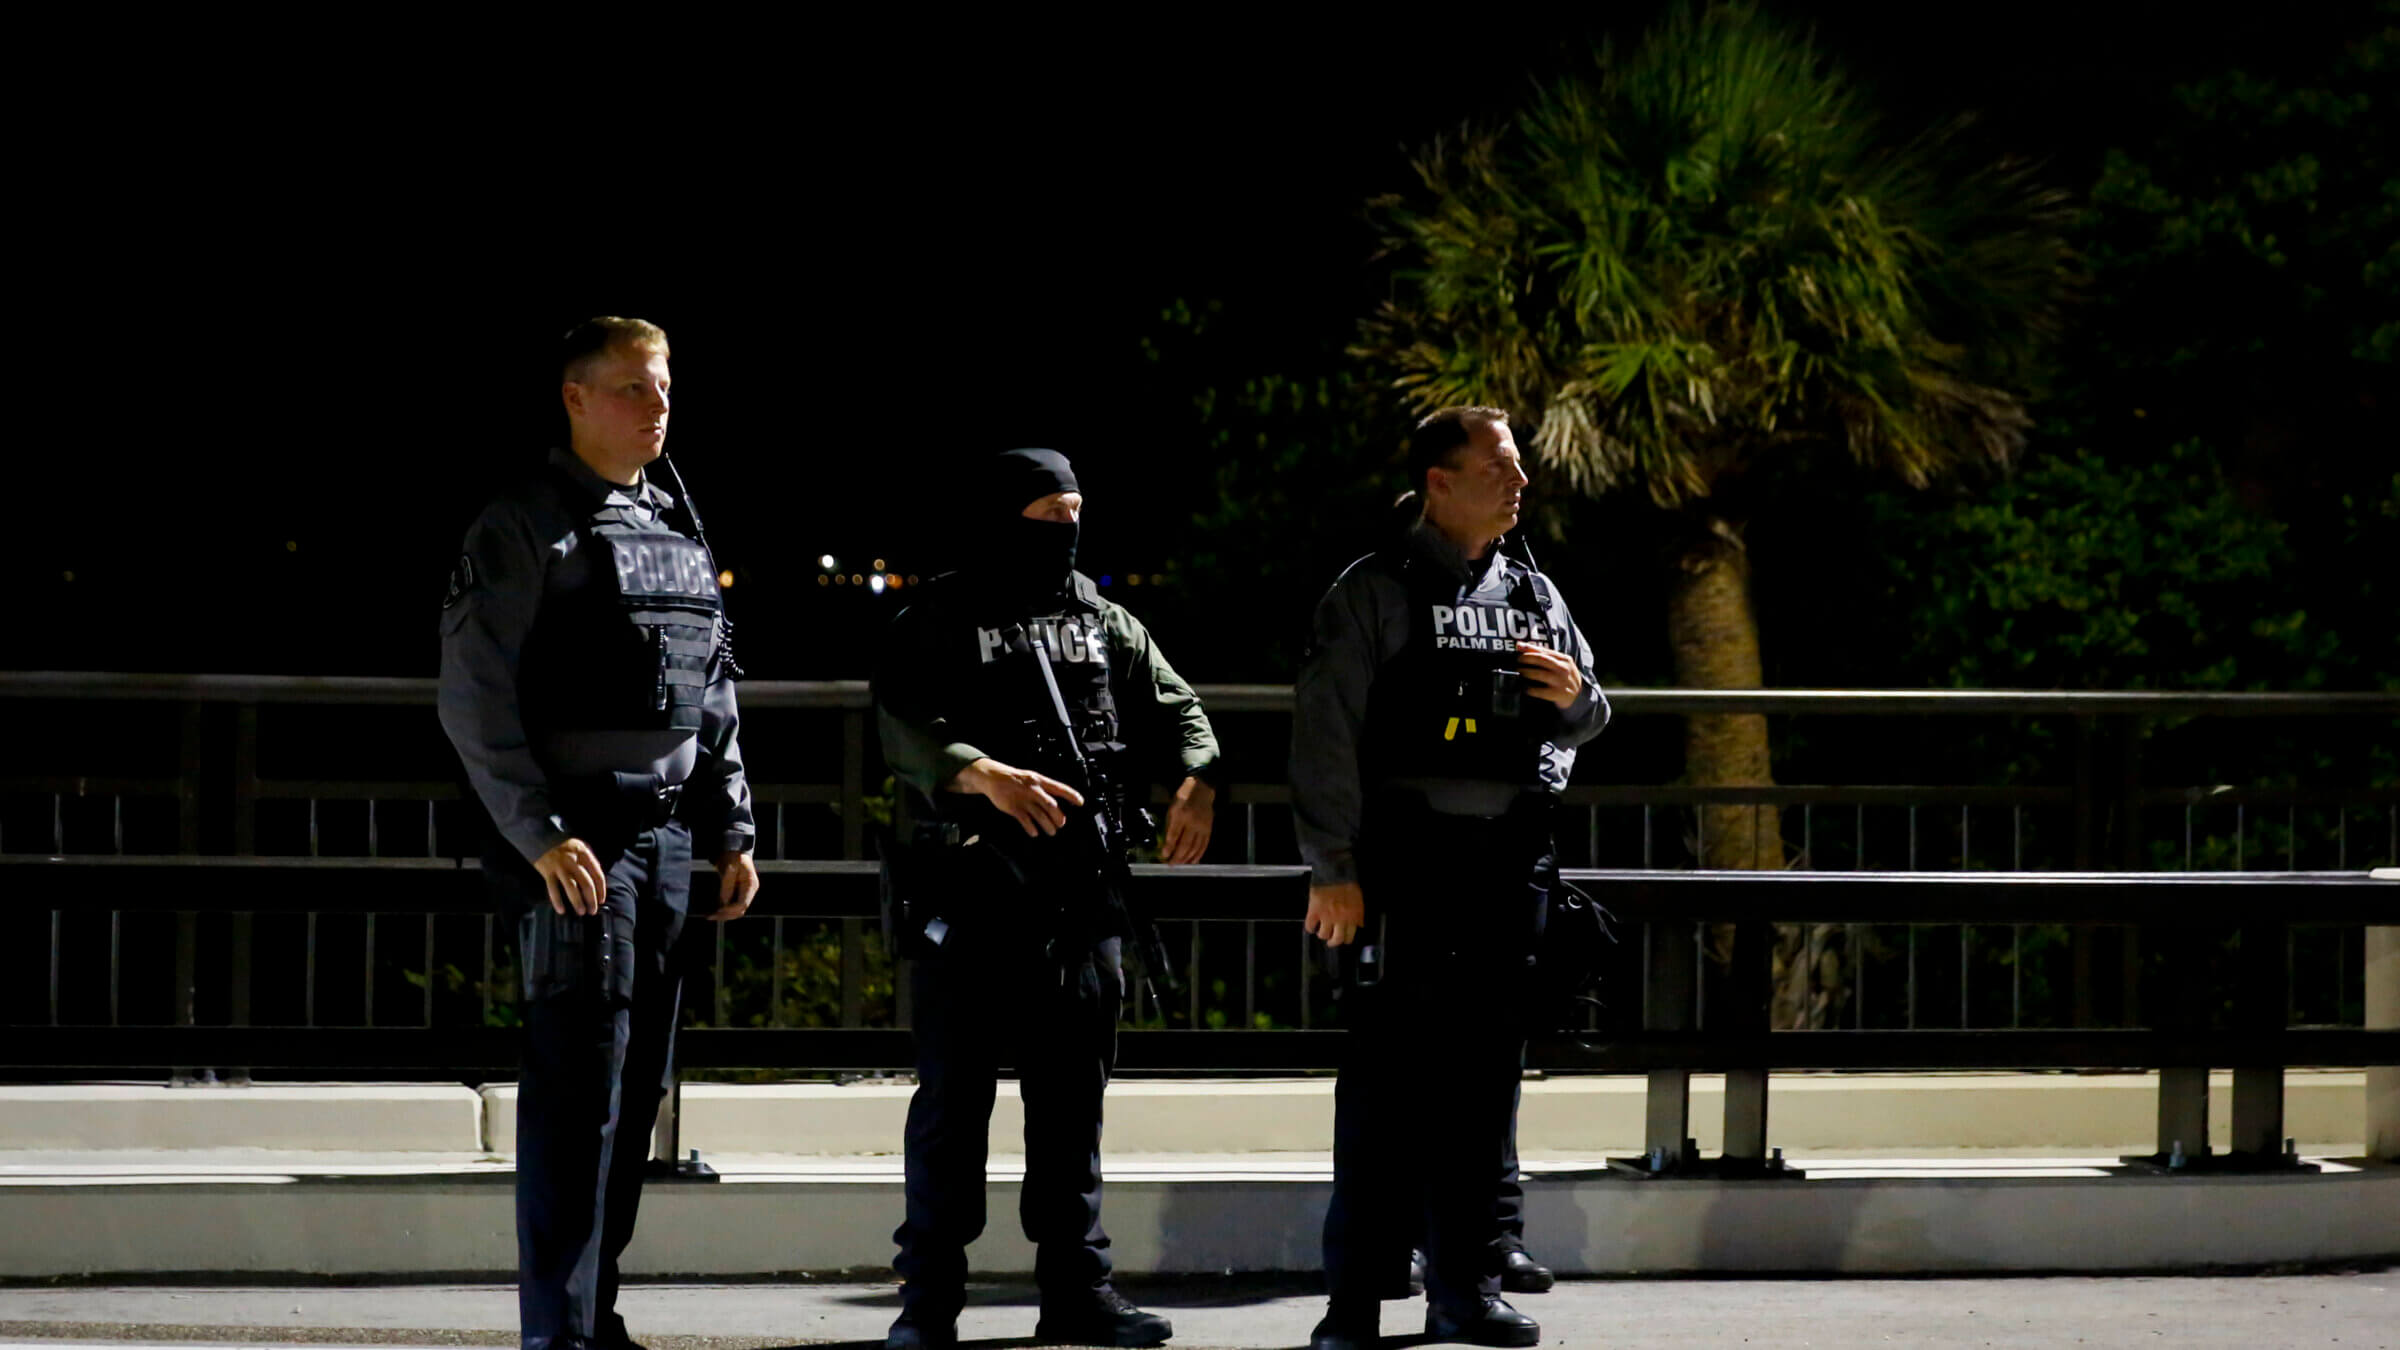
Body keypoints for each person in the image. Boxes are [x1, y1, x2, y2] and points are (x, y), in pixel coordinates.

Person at [439, 316, 760, 1350]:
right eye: (630, 388)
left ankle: (593, 1314)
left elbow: (711, 690)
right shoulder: (523, 526)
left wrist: (733, 829)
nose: (656, 406)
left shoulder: (676, 525)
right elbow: (475, 698)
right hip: (574, 847)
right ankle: (559, 1336)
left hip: (664, 845)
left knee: (639, 1092)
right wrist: (537, 835)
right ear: (574, 399)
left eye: (662, 387)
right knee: (579, 1097)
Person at [873, 448, 1221, 1350]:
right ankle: (929, 1303)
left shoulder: (1104, 620)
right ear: (1002, 518)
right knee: (955, 1110)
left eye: (1075, 511)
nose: (1063, 529)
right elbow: (901, 725)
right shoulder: (941, 617)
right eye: (1044, 514)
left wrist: (1196, 779)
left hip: (1078, 899)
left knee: (1073, 1106)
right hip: (973, 894)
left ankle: (1078, 1291)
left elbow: (1180, 708)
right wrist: (981, 774)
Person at [1293, 407, 1608, 1350]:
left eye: (1517, 469)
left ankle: (1465, 1291)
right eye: (1498, 468)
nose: (1519, 483)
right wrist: (1335, 870)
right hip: (1403, 870)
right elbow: (1325, 740)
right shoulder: (1374, 590)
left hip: (1505, 870)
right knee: (1385, 1090)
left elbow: (1588, 710)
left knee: (1481, 1088)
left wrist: (1575, 710)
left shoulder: (1530, 589)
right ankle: (1352, 1304)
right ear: (1439, 480)